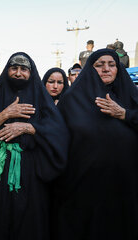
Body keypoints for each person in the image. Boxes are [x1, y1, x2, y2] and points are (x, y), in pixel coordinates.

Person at [0, 52, 69, 240]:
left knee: (28, 224)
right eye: (14, 68)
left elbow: (59, 134)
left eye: (24, 69)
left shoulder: (42, 99)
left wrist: (30, 127)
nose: (18, 73)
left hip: (31, 175)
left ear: (31, 73)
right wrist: (4, 115)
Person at [53, 49, 138, 240]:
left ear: (118, 68)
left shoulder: (130, 96)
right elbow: (57, 138)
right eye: (99, 65)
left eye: (111, 64)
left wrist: (125, 114)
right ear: (90, 69)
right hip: (83, 190)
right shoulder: (72, 100)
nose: (106, 69)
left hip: (124, 189)